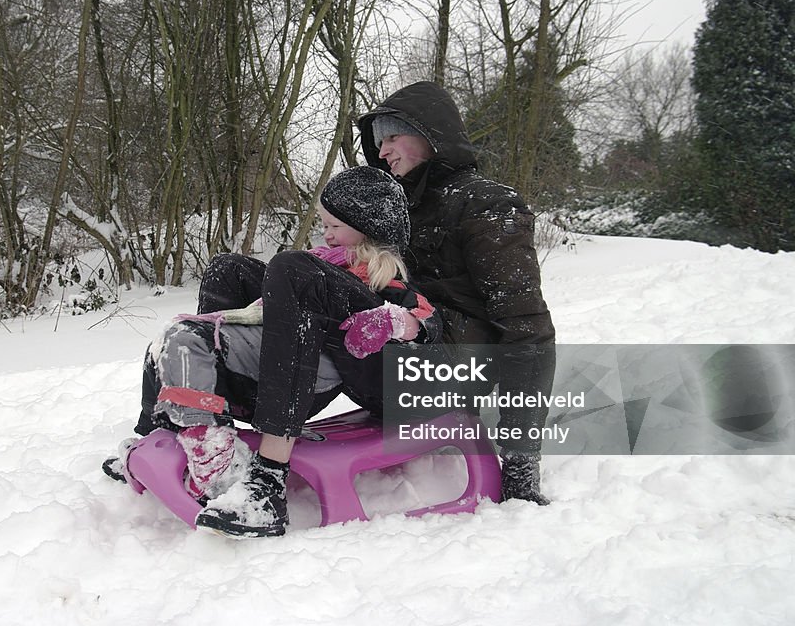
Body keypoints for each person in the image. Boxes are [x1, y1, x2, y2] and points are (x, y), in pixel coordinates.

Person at [104, 166, 443, 536]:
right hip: (293, 364)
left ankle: (269, 480)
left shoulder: (383, 277)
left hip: (368, 373)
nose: (326, 234)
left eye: (336, 226)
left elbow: (426, 320)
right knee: (227, 268)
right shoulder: (321, 264)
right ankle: (176, 425)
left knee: (293, 266)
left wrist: (393, 320)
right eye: (324, 225)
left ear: (369, 228)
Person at [356, 80, 557, 506]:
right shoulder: (397, 208)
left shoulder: (487, 204)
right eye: (379, 141)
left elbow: (527, 328)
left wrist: (522, 462)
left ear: (431, 135)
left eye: (393, 136)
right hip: (399, 353)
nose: (383, 150)